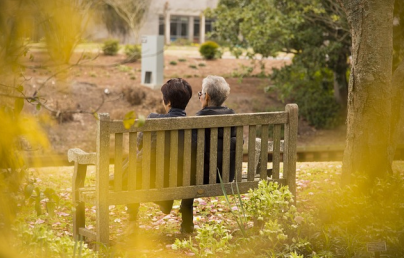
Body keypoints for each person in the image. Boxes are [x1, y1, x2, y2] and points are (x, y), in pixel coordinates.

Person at [111, 78, 193, 222]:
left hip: (151, 180)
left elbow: (139, 144)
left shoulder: (154, 120)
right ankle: (183, 221)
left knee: (135, 165)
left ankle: (132, 219)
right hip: (182, 179)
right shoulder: (194, 125)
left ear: (167, 102)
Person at [180, 75, 237, 234]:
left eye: (201, 94)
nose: (200, 97)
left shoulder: (198, 120)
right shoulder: (233, 117)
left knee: (188, 177)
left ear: (208, 97)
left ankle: (187, 226)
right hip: (226, 175)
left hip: (200, 177)